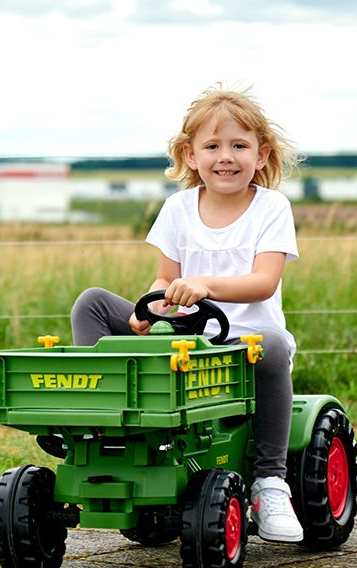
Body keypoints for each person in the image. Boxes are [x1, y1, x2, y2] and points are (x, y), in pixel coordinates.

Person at [70, 85, 303, 543]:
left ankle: (270, 482)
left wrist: (206, 285)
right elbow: (164, 279)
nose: (226, 157)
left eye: (239, 145)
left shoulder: (271, 208)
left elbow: (264, 282)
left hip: (243, 346)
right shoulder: (178, 208)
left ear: (261, 154)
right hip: (180, 339)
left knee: (273, 344)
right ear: (190, 155)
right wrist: (152, 307)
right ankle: (101, 421)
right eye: (212, 146)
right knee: (92, 301)